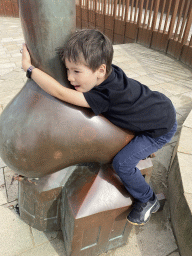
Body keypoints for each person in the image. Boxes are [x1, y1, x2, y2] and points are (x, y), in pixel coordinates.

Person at [21, 29, 177, 225]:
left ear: (101, 70)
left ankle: (147, 199)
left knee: (122, 163)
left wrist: (29, 68)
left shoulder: (103, 96)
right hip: (157, 105)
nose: (70, 78)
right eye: (67, 69)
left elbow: (60, 93)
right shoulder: (107, 74)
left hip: (159, 129)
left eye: (76, 71)